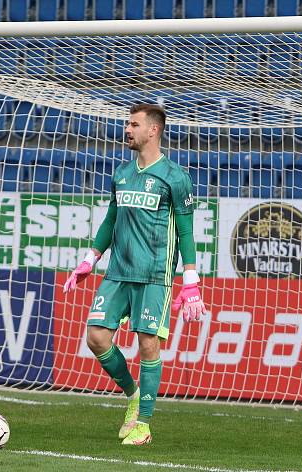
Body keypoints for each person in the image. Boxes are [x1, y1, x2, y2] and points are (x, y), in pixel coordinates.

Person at [63, 103, 207, 446]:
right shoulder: (122, 173)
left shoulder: (174, 176)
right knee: (96, 338)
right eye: (127, 124)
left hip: (154, 276)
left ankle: (143, 424)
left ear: (153, 130)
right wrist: (89, 258)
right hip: (117, 273)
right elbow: (112, 218)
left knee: (148, 345)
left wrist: (190, 279)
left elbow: (185, 231)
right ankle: (132, 393)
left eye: (134, 124)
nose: (127, 130)